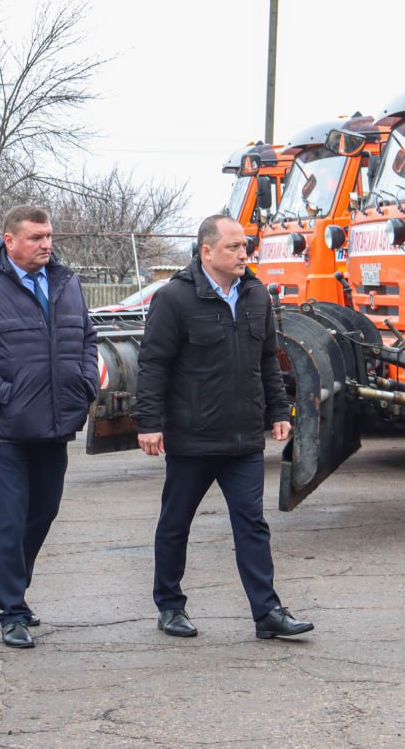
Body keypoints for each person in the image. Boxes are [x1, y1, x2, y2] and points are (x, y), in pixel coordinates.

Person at [134, 214, 314, 640]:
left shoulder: (256, 295)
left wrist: (280, 411)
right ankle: (170, 607)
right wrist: (149, 423)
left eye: (244, 246)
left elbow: (268, 359)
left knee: (252, 525)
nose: (242, 253)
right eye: (233, 247)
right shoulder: (174, 299)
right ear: (207, 251)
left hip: (243, 438)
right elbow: (153, 365)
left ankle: (267, 613)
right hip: (192, 437)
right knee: (175, 523)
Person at [0, 205, 98, 649]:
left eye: (48, 236)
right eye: (35, 238)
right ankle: (12, 610)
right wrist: (1, 396)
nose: (46, 245)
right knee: (9, 520)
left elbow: (87, 338)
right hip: (5, 427)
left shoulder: (65, 282)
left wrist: (85, 384)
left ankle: (10, 587)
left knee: (43, 511)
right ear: (9, 241)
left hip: (55, 420)